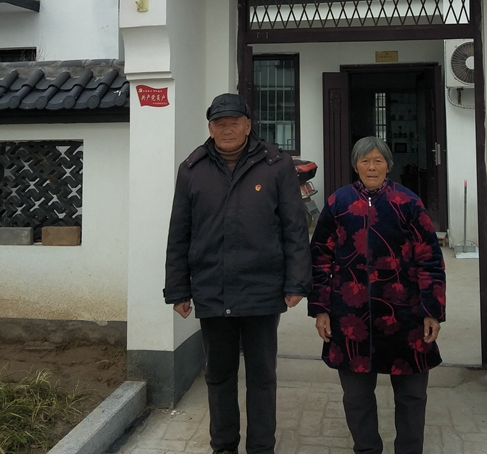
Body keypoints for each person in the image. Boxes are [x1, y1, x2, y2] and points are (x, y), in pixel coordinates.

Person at [165, 93, 311, 454]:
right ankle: (224, 446)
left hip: (263, 288)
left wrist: (296, 282)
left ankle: (261, 447)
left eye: (234, 122)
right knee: (219, 375)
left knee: (262, 377)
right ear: (210, 128)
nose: (227, 129)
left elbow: (295, 227)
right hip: (212, 288)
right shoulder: (192, 169)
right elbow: (179, 232)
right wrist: (178, 289)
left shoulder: (276, 165)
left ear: (248, 125)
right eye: (220, 123)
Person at [308, 136, 446, 454]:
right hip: (351, 316)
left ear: (388, 165)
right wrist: (321, 308)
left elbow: (430, 260)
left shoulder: (408, 202)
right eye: (365, 161)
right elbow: (320, 258)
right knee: (356, 396)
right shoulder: (339, 202)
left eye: (378, 161)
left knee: (412, 395)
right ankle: (367, 448)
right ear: (355, 165)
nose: (372, 167)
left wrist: (432, 310)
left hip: (405, 315)